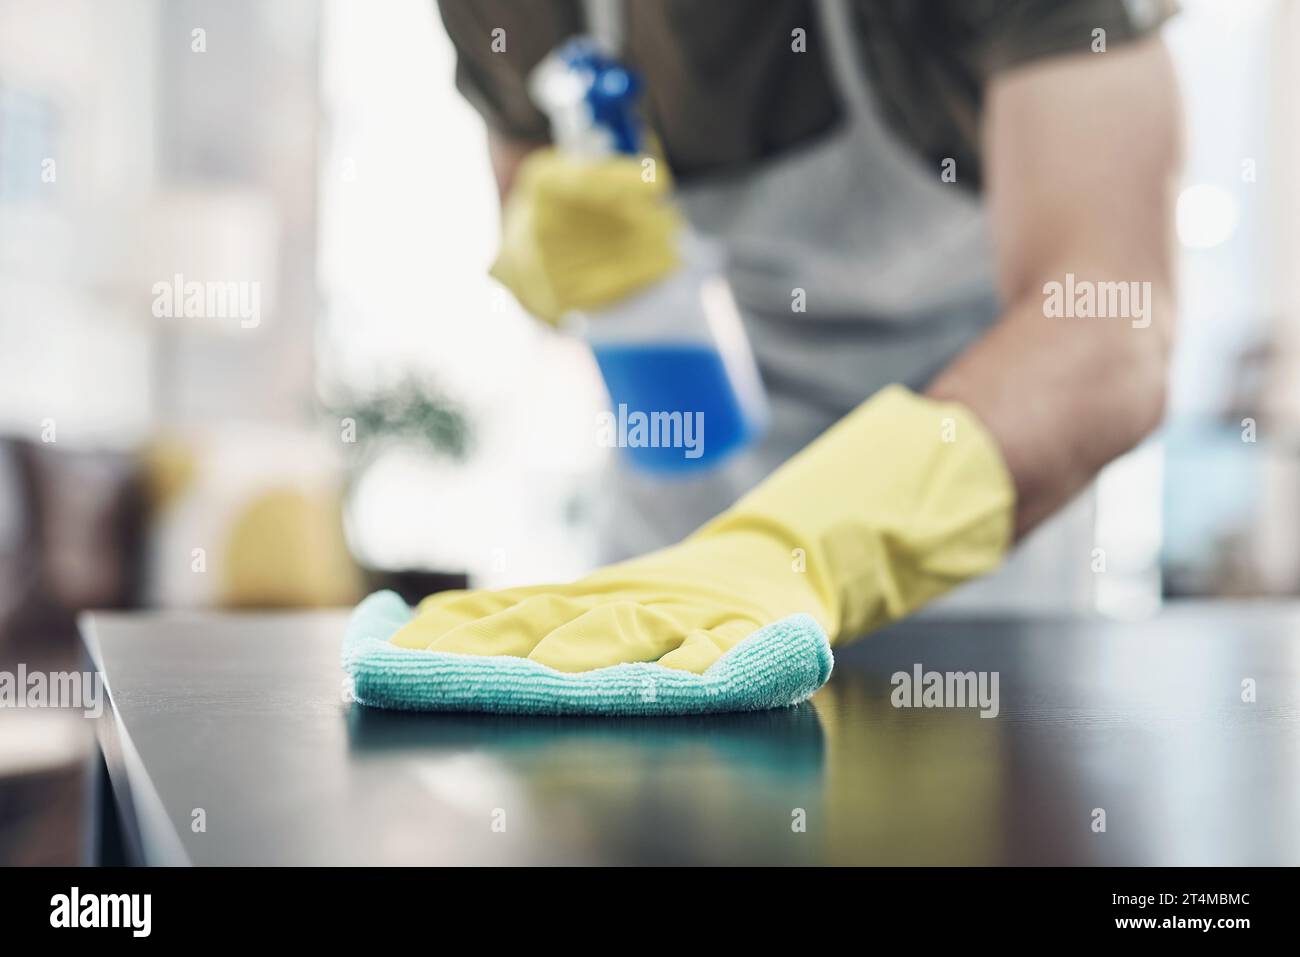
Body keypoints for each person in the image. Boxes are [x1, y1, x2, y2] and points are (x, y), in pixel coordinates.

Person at [386, 0, 1182, 673]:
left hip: (978, 501)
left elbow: (1109, 322)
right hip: (677, 527)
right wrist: (580, 266)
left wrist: (802, 547)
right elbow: (540, 254)